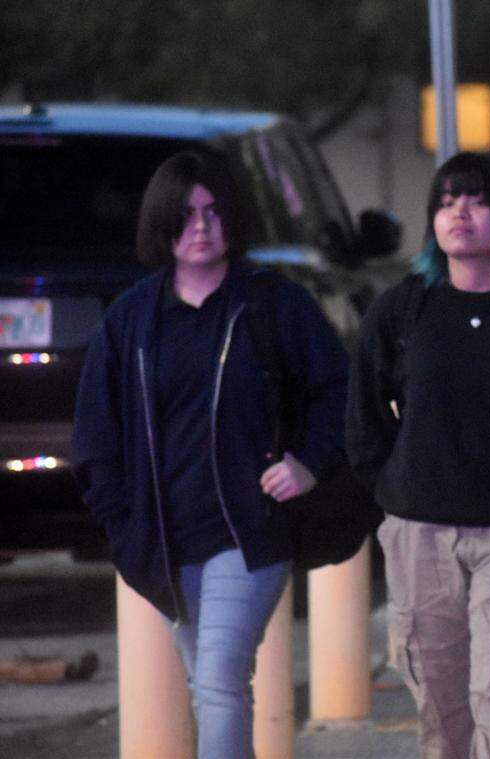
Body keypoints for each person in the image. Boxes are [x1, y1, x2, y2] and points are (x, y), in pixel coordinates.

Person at [72, 151, 349, 758]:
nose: (201, 225)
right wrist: (122, 527)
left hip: (249, 536)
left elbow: (340, 392)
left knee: (221, 681)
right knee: (211, 685)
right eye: (186, 213)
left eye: (214, 211)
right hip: (164, 544)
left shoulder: (276, 306)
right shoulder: (131, 321)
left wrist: (308, 462)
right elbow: (95, 438)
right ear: (161, 223)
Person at [346, 152, 490, 759]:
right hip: (420, 533)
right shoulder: (401, 309)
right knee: (441, 716)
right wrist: (398, 488)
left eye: (475, 199)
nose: (458, 213)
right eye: (445, 202)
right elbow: (363, 422)